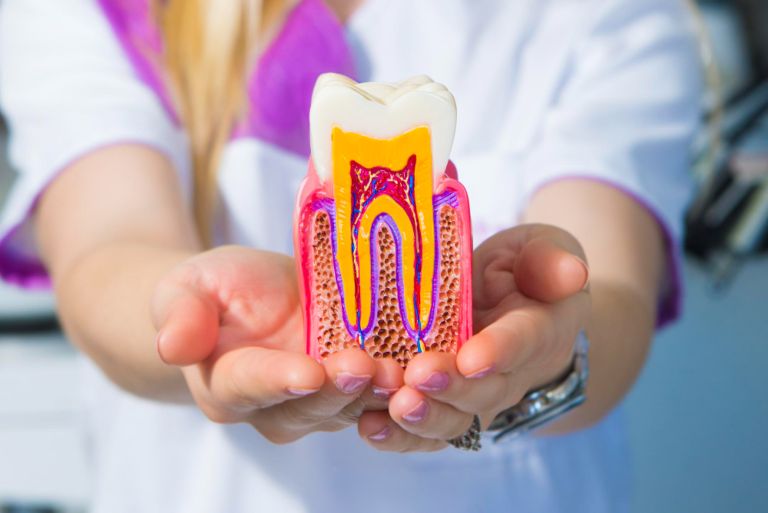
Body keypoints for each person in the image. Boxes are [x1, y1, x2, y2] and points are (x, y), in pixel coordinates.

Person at [0, 0, 703, 511]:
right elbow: (107, 247)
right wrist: (195, 320)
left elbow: (608, 292)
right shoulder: (105, 15)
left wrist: (545, 351)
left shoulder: (610, 17)